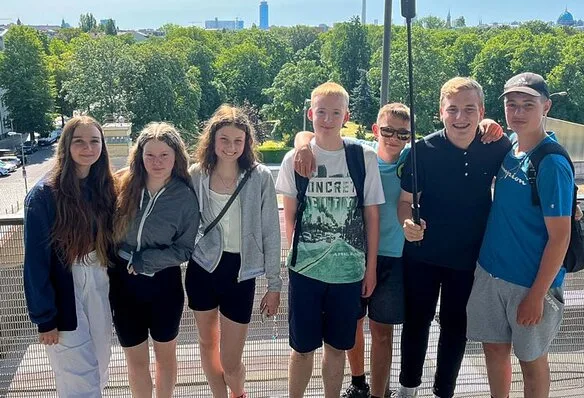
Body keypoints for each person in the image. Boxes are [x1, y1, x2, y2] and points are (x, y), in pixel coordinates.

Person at [292, 103, 504, 398]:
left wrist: (486, 122)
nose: (394, 138)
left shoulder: (412, 156)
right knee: (352, 326)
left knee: (383, 333)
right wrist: (303, 144)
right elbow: (317, 134)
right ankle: (358, 382)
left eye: (403, 134)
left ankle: (380, 393)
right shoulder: (360, 154)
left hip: (396, 258)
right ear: (375, 130)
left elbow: (458, 131)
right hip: (355, 254)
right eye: (388, 131)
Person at [398, 77, 512, 398]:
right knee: (416, 323)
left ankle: (443, 392)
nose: (460, 117)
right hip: (422, 255)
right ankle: (408, 389)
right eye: (452, 109)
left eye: (469, 109)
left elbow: (531, 160)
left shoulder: (497, 146)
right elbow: (405, 202)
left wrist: (570, 201)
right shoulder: (422, 150)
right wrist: (407, 223)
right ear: (441, 112)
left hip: (468, 258)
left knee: (455, 328)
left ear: (482, 111)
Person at [275, 82, 385, 398]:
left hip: (349, 273)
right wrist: (301, 257)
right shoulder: (294, 159)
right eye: (321, 112)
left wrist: (370, 268)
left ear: (345, 117)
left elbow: (371, 216)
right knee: (301, 349)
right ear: (311, 114)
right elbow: (290, 216)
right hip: (305, 272)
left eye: (336, 113)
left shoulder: (363, 158)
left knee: (337, 348)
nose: (327, 119)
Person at [466, 73, 573, 398]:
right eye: (512, 105)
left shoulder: (551, 162)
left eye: (528, 105)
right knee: (494, 351)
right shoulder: (511, 146)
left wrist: (537, 295)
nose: (519, 112)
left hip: (528, 283)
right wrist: (486, 124)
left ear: (546, 107)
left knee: (531, 362)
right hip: (491, 273)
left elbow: (560, 237)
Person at [187, 105, 282, 398]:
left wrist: (274, 284)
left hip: (241, 272)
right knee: (206, 344)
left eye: (237, 141)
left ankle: (237, 392)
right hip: (202, 268)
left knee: (230, 359)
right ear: (212, 140)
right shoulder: (196, 174)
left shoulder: (260, 177)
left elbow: (271, 231)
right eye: (224, 140)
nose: (230, 147)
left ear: (246, 143)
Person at [23, 116, 117, 397]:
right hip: (66, 290)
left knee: (100, 366)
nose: (88, 148)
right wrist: (45, 318)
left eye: (94, 141)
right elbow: (35, 263)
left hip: (98, 280)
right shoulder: (44, 195)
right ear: (66, 145)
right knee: (78, 378)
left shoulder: (103, 187)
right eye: (79, 141)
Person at [110, 122, 199, 398]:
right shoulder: (123, 184)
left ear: (176, 157)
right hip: (123, 285)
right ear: (140, 156)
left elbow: (185, 249)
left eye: (164, 155)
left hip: (164, 285)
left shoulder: (185, 197)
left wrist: (145, 261)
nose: (156, 162)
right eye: (150, 155)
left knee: (165, 357)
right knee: (135, 361)